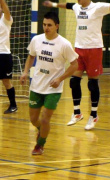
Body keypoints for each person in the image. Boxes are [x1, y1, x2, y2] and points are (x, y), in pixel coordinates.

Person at [43, 0, 110, 130]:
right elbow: (68, 5)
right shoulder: (77, 7)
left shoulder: (98, 7)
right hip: (79, 48)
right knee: (74, 81)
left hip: (94, 49)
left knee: (92, 83)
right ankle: (77, 112)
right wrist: (52, 4)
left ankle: (94, 115)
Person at [20, 12, 79, 155]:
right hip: (36, 86)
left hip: (53, 88)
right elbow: (31, 56)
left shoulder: (64, 44)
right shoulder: (37, 40)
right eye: (44, 25)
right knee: (34, 120)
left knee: (45, 118)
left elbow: (74, 65)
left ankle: (40, 145)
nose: (46, 28)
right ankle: (42, 131)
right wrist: (25, 72)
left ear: (57, 26)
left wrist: (60, 78)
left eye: (49, 25)